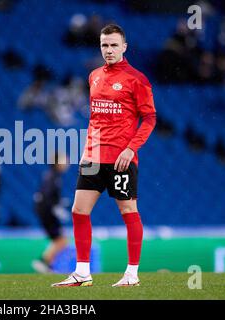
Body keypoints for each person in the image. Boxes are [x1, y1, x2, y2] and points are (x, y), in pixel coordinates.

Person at [52, 24, 156, 287]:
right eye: (104, 45)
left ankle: (132, 273)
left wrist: (131, 148)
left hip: (121, 159)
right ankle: (82, 272)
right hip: (92, 157)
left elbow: (150, 118)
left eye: (113, 45)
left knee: (128, 210)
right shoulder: (94, 76)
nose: (108, 50)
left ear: (124, 47)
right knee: (78, 210)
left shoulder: (137, 79)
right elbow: (98, 118)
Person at [32, 154, 70, 273]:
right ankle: (43, 262)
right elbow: (47, 197)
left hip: (46, 211)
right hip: (47, 212)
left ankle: (47, 265)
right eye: (64, 160)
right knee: (61, 240)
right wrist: (56, 209)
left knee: (59, 240)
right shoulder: (53, 177)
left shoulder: (53, 176)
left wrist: (59, 204)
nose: (67, 163)